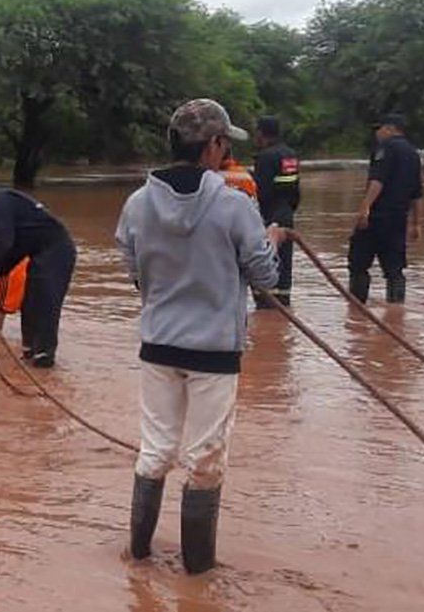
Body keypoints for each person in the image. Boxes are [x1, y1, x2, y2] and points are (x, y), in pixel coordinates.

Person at [115, 98, 285, 574]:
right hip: (213, 351)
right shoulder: (235, 205)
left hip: (158, 345)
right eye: (225, 142)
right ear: (212, 146)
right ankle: (198, 574)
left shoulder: (136, 203)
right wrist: (272, 239)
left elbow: (132, 267)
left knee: (155, 451)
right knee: (205, 461)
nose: (226, 150)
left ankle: (140, 556)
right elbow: (265, 278)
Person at [0, 174, 76, 368]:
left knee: (44, 303)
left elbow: (2, 244)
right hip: (37, 251)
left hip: (56, 250)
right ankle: (30, 356)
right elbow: (9, 255)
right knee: (30, 304)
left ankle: (43, 362)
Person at [348, 113, 424, 304]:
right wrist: (416, 223)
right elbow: (417, 193)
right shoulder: (413, 154)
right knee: (394, 270)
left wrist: (365, 208)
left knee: (358, 264)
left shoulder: (385, 148)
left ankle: (357, 309)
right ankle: (396, 312)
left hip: (377, 217)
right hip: (399, 219)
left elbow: (377, 181)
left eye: (379, 129)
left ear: (390, 128)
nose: (376, 133)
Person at [252, 116, 302, 308]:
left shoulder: (265, 157)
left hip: (269, 216)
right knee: (284, 265)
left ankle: (266, 306)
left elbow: (261, 191)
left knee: (267, 261)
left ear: (261, 133)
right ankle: (282, 306)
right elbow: (295, 188)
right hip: (286, 212)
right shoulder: (290, 154)